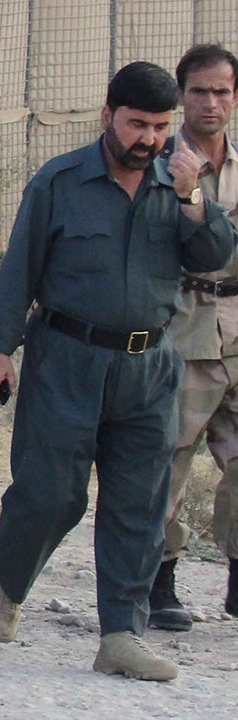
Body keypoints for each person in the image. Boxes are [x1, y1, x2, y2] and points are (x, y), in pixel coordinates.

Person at [0, 61, 237, 682]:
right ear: (107, 118)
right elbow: (21, 269)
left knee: (139, 504)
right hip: (67, 359)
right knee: (51, 493)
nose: (148, 139)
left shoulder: (181, 185)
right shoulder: (61, 181)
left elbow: (215, 255)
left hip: (149, 367)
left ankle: (121, 634)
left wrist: (193, 196)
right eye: (137, 124)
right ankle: (8, 578)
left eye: (159, 127)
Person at [157, 43, 238, 628]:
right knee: (169, 461)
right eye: (199, 91)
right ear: (181, 95)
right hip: (184, 330)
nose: (211, 103)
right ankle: (160, 581)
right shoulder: (158, 162)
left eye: (222, 91)